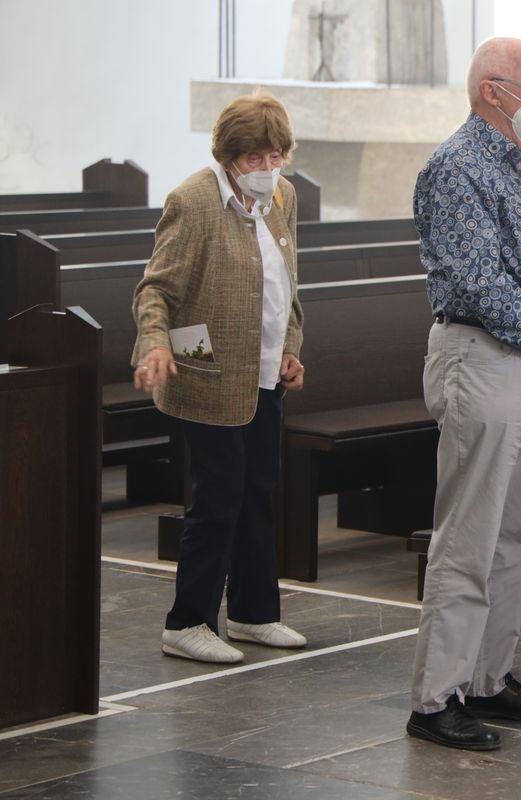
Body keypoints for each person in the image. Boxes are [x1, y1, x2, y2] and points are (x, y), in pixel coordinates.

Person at [406, 37, 521, 752]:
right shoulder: (456, 169)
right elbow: (483, 284)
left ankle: (487, 676)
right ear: (492, 90)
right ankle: (435, 696)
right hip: (481, 357)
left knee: (515, 532)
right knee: (470, 536)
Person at [131, 93, 308, 664]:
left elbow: (287, 288)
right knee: (220, 495)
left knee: (258, 489)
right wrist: (156, 344)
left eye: (275, 155)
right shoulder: (194, 200)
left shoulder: (283, 196)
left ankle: (255, 614)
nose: (267, 168)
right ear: (229, 155)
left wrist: (290, 349)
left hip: (262, 372)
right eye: (255, 158)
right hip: (204, 372)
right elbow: (156, 289)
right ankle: (188, 621)